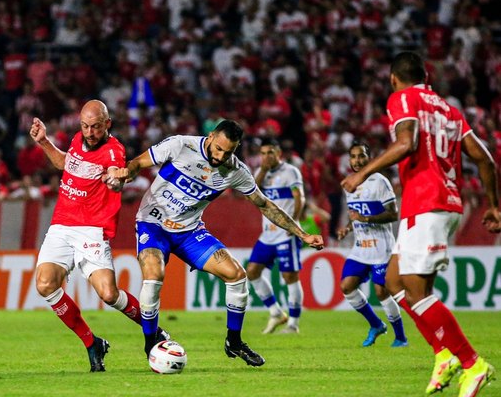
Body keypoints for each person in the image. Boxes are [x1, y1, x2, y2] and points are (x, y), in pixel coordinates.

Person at [341, 52, 499, 397]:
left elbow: (406, 142)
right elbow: (484, 158)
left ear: (394, 79)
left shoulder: (403, 98)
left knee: (416, 291)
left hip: (429, 203)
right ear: (426, 77)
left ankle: (473, 364)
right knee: (394, 281)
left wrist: (362, 174)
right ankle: (443, 354)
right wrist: (494, 205)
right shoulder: (448, 109)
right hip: (437, 203)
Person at [114, 120, 324, 366]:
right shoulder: (180, 145)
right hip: (153, 223)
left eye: (229, 152)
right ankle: (151, 342)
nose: (221, 156)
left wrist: (302, 234)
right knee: (154, 274)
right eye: (219, 148)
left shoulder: (235, 171)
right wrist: (127, 172)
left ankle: (233, 342)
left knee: (237, 274)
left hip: (189, 232)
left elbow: (264, 204)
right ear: (211, 136)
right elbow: (138, 162)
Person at [29, 100, 168, 372]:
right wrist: (44, 142)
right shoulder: (77, 140)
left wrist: (116, 179)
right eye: (84, 126)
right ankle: (92, 343)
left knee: (108, 293)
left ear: (107, 124)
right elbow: (65, 164)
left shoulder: (113, 150)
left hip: (91, 229)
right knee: (45, 285)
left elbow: (116, 173)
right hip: (61, 225)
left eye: (94, 127)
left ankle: (153, 330)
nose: (89, 132)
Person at [336, 141, 408, 348]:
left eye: (361, 156)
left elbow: (393, 214)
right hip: (360, 247)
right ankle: (376, 324)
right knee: (347, 286)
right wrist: (348, 227)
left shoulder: (380, 182)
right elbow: (354, 214)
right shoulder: (348, 184)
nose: (357, 161)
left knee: (381, 291)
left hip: (381, 247)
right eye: (353, 157)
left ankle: (401, 337)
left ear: (370, 158)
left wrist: (366, 219)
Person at [245, 138, 306, 334]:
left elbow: (300, 197)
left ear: (278, 153)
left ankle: (293, 324)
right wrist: (262, 170)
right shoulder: (261, 174)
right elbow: (250, 194)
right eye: (263, 153)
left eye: (270, 152)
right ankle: (276, 312)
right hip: (267, 234)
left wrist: (294, 221)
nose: (266, 157)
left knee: (289, 276)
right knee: (252, 271)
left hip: (286, 233)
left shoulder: (290, 172)